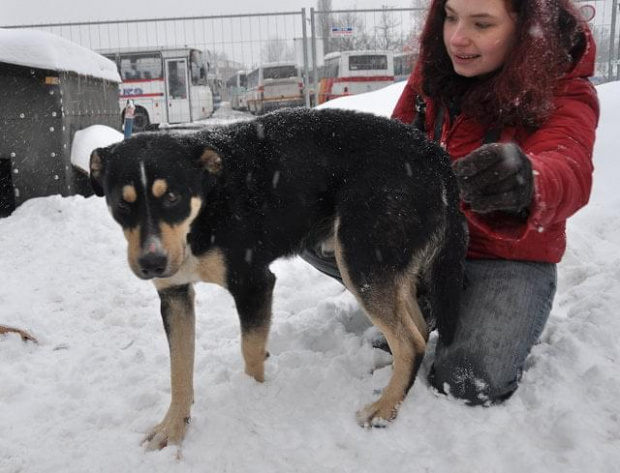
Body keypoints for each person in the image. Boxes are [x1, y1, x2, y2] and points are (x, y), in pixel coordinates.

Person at [303, 0, 599, 406]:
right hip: (428, 242)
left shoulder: (561, 89)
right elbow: (390, 149)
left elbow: (570, 165)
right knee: (306, 223)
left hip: (503, 259)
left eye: (482, 23)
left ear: (527, 27)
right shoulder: (434, 75)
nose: (458, 38)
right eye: (451, 16)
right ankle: (419, 300)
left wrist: (527, 180)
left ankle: (453, 304)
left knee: (467, 381)